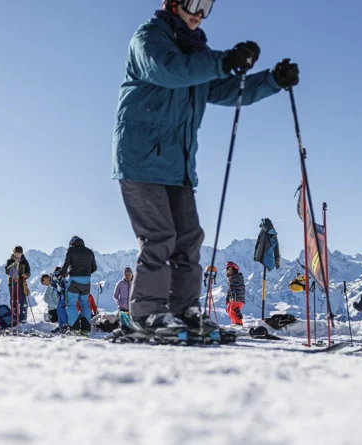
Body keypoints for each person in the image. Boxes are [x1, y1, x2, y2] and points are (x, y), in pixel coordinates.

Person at [110, 0, 299, 336]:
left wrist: (271, 80)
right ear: (172, 2)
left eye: (206, 5)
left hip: (177, 165)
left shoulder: (197, 55)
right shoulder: (149, 39)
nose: (198, 11)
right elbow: (170, 70)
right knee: (160, 238)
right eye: (192, 2)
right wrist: (224, 61)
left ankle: (184, 311)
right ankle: (147, 315)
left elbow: (225, 90)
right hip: (140, 159)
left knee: (189, 239)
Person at [60, 236, 97, 333]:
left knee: (72, 304)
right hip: (86, 281)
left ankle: (75, 329)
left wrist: (63, 273)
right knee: (85, 304)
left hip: (74, 281)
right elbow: (94, 267)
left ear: (72, 243)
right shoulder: (89, 252)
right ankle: (86, 329)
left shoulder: (71, 250)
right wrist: (86, 273)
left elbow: (66, 264)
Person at [5, 246, 31, 324]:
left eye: (19, 253)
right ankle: (15, 317)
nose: (17, 255)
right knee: (13, 301)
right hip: (12, 283)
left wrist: (26, 275)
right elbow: (7, 271)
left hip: (21, 283)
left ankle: (23, 318)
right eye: (16, 253)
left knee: (23, 301)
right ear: (13, 253)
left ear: (21, 254)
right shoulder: (9, 261)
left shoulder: (24, 262)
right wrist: (14, 264)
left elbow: (28, 272)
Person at [225, 261, 246, 325]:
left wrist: (235, 298)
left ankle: (238, 324)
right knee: (228, 309)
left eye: (231, 269)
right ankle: (234, 323)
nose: (229, 271)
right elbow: (230, 290)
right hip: (233, 298)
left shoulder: (237, 277)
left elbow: (238, 289)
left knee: (233, 310)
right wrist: (227, 298)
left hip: (238, 298)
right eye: (228, 270)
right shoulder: (231, 278)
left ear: (235, 270)